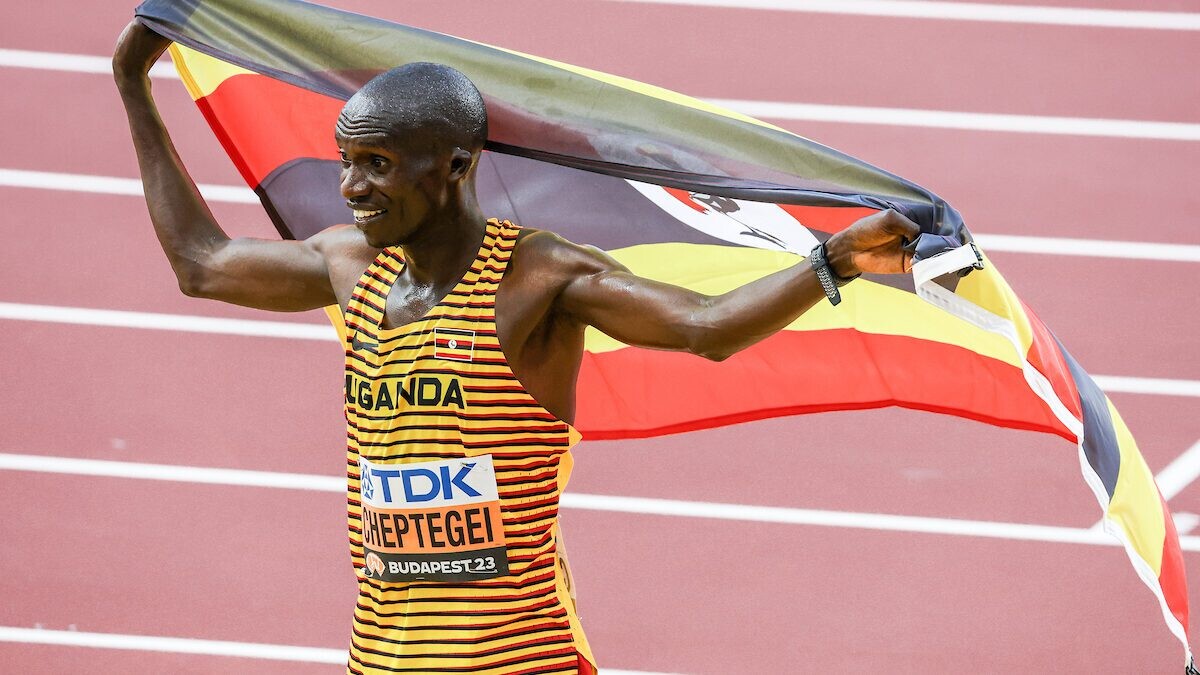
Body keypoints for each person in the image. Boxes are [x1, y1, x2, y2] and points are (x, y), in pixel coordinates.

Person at [114, 18, 919, 675]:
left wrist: (833, 259)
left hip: (519, 661)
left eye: (378, 165)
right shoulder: (348, 264)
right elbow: (203, 264)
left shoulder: (538, 278)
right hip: (381, 658)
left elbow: (705, 326)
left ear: (456, 165)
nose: (351, 189)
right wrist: (133, 87)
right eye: (346, 163)